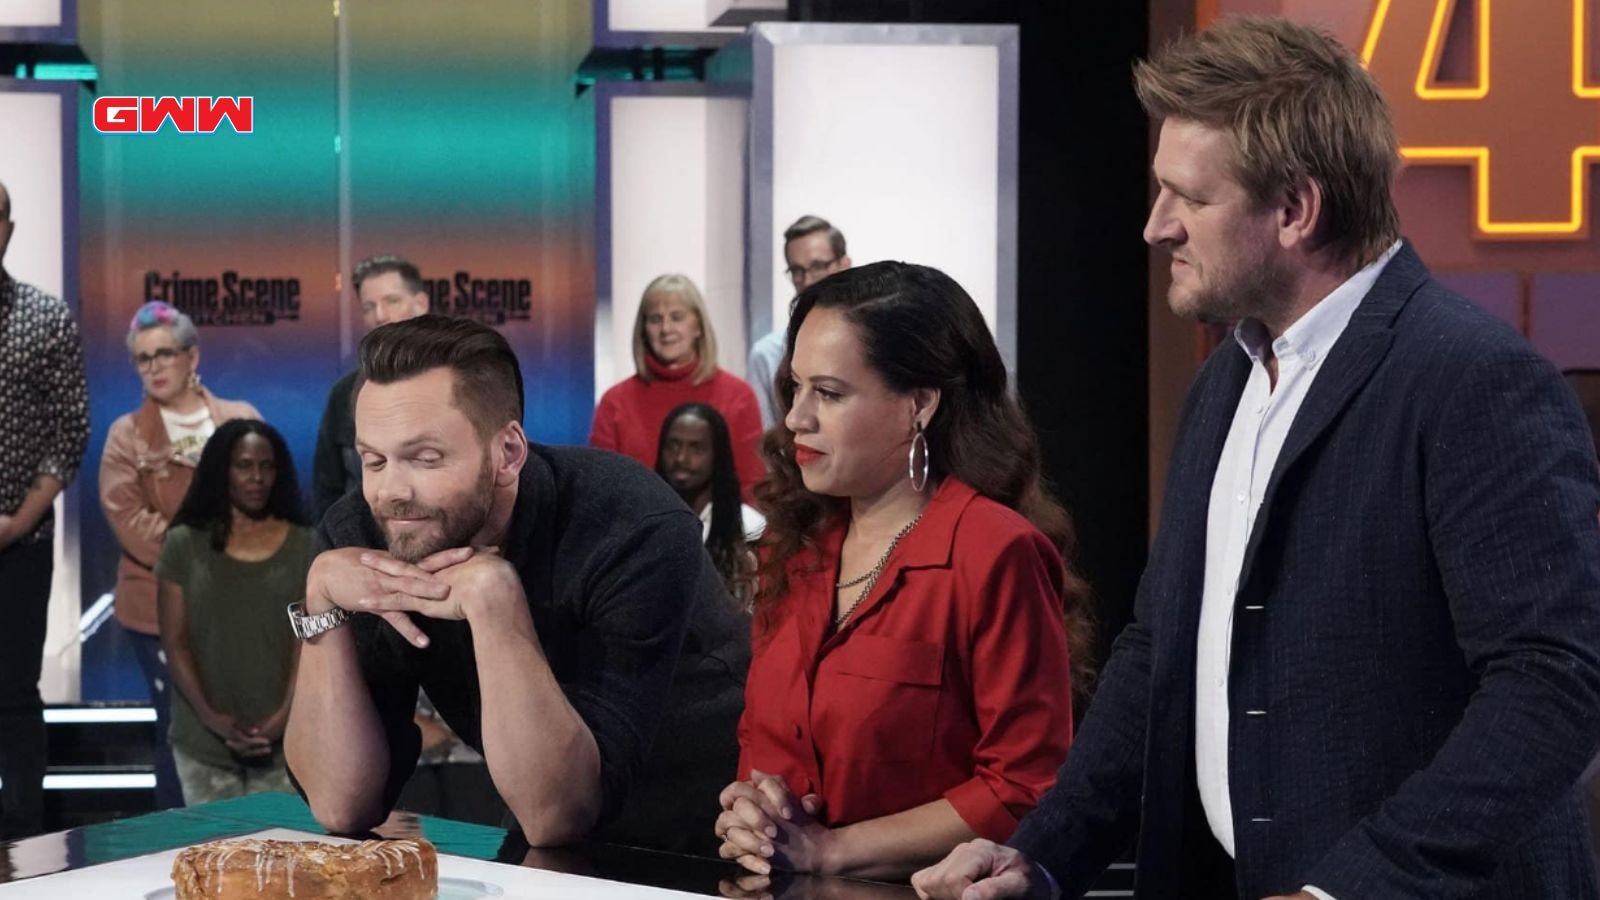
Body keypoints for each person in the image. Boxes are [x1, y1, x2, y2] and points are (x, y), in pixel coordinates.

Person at [912, 17, 1600, 900]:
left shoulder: (1475, 381)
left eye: (1188, 198)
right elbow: (1162, 652)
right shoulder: (1227, 382)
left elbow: (1554, 685)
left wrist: (1352, 889)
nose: (1156, 227)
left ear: (1295, 210)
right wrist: (1042, 854)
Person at [716, 262, 1092, 882]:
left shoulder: (995, 552)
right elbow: (762, 744)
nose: (796, 419)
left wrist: (833, 850)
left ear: (918, 405)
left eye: (829, 394)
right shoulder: (793, 544)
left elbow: (1024, 786)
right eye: (795, 388)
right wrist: (751, 813)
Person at [286, 315, 723, 846]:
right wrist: (320, 603)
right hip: (544, 824)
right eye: (373, 460)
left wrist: (495, 602)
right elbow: (341, 803)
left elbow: (562, 813)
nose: (390, 492)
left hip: (719, 842)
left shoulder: (631, 526)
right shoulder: (362, 530)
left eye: (425, 458)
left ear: (508, 453)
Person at [99, 301, 260, 809]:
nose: (154, 367)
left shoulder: (240, 419)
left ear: (192, 356)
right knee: (182, 724)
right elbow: (129, 520)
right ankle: (177, 846)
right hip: (158, 607)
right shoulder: (126, 436)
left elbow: (269, 501)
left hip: (238, 605)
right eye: (143, 359)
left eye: (164, 354)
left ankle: (246, 836)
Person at [154, 420, 311, 804]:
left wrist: (282, 719)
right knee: (211, 859)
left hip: (287, 744)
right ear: (221, 470)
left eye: (267, 466)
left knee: (283, 860)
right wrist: (212, 719)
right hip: (203, 745)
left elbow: (309, 640)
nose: (257, 477)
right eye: (244, 465)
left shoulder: (307, 544)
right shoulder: (182, 544)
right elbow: (175, 643)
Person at [0, 179, 88, 839]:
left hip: (19, 540)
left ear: (7, 227)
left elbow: (69, 434)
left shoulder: (45, 316)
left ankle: (24, 837)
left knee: (14, 693)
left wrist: (19, 520)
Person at [590, 274, 765, 499]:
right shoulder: (614, 403)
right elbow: (600, 492)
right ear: (643, 330)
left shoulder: (738, 396)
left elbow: (753, 489)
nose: (666, 329)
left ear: (698, 327)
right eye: (655, 319)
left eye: (677, 317)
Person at [312, 254, 431, 520]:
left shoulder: (459, 381)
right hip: (363, 549)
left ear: (421, 304)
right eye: (368, 307)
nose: (380, 316)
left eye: (392, 301)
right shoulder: (344, 393)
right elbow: (327, 490)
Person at [748, 216, 853, 430]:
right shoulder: (767, 355)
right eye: (797, 270)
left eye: (817, 266)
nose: (807, 280)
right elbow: (767, 443)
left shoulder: (872, 341)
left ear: (844, 265)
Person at [656, 402, 765, 603]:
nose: (681, 458)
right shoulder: (643, 523)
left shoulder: (751, 527)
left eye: (696, 448)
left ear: (718, 455)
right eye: (673, 445)